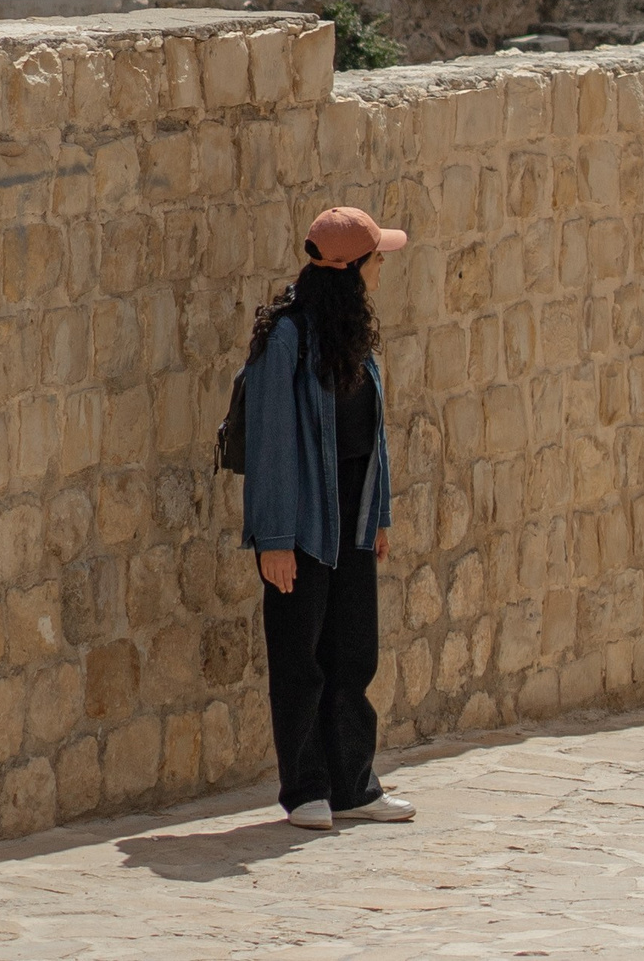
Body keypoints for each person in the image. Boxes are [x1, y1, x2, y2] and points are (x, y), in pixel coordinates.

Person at [240, 203, 421, 829]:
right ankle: (307, 788)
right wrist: (275, 538)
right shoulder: (285, 336)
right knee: (300, 656)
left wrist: (380, 514)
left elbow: (372, 432)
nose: (382, 270)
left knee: (354, 651)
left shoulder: (351, 334)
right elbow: (268, 445)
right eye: (377, 260)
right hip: (301, 519)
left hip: (352, 516)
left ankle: (353, 785)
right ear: (351, 268)